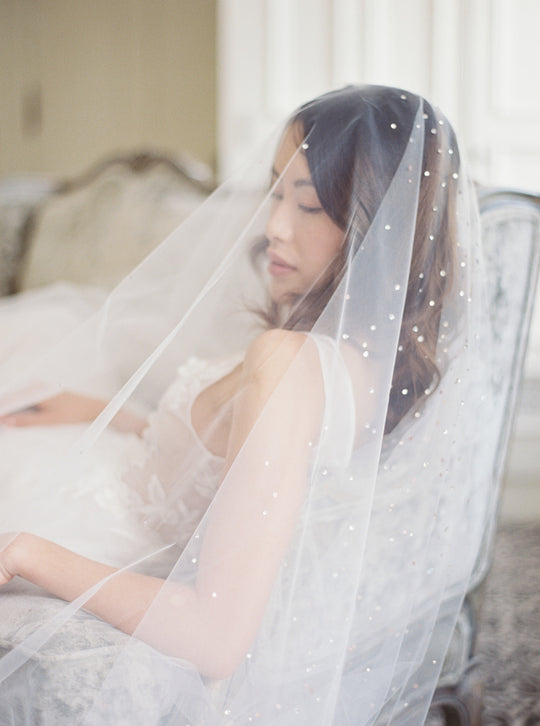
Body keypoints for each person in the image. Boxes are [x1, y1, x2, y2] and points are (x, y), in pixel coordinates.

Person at [0, 85, 489, 724]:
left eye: (309, 205)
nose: (273, 228)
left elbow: (217, 634)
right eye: (276, 192)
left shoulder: (289, 364)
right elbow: (238, 469)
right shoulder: (363, 361)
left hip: (98, 522)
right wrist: (110, 414)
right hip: (120, 469)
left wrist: (25, 551)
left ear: (373, 225)